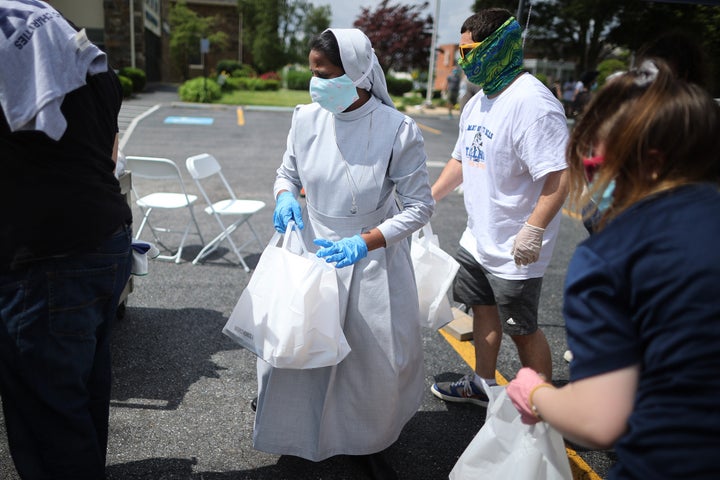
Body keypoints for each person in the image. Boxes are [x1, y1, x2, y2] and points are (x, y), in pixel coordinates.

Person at [506, 60, 720, 479]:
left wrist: (536, 393)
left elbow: (599, 421)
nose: (593, 172)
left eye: (599, 158)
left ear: (651, 163)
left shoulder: (613, 255)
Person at [257, 28, 434, 479]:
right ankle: (297, 427)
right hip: (310, 250)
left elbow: (419, 207)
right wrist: (284, 197)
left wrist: (365, 240)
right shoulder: (305, 118)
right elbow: (286, 172)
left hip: (368, 258)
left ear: (356, 73)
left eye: (325, 73)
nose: (316, 82)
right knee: (299, 346)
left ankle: (366, 438)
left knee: (365, 362)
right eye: (313, 71)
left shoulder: (397, 130)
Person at [0, 1, 133, 478]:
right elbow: (112, 150)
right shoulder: (90, 66)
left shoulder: (18, 75)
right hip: (104, 243)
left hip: (47, 262)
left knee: (49, 421)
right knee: (80, 400)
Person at [429, 8, 569, 407]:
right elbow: (461, 159)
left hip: (515, 247)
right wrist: (428, 199)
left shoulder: (533, 104)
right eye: (460, 50)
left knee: (522, 329)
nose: (463, 59)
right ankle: (481, 383)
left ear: (498, 47)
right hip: (478, 237)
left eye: (471, 50)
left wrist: (534, 229)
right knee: (481, 311)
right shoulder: (478, 102)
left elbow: (559, 176)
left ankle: (543, 409)